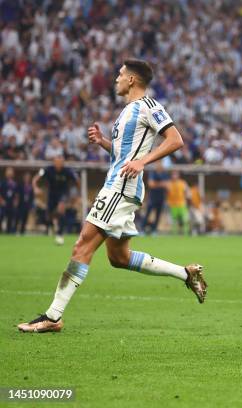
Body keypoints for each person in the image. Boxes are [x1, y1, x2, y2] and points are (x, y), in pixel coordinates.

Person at [18, 59, 207, 334]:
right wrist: (105, 142)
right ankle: (185, 273)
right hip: (120, 185)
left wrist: (144, 162)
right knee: (119, 258)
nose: (116, 78)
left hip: (120, 188)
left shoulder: (148, 106)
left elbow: (175, 139)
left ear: (132, 79)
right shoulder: (128, 112)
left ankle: (53, 316)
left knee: (81, 246)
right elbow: (125, 156)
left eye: (120, 74)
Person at [32, 156, 79, 244]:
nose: (59, 164)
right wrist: (35, 188)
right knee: (49, 214)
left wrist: (77, 194)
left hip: (63, 194)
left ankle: (60, 234)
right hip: (51, 195)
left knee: (61, 209)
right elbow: (35, 179)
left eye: (61, 162)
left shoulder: (68, 171)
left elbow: (77, 180)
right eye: (57, 162)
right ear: (54, 162)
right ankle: (51, 225)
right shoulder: (47, 170)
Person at [141, 160, 169, 234]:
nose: (159, 165)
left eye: (161, 163)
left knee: (158, 215)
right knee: (148, 213)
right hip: (152, 197)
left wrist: (157, 184)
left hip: (161, 197)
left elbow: (167, 185)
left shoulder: (165, 174)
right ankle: (142, 229)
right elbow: (151, 184)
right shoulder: (153, 173)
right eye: (158, 163)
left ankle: (154, 230)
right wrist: (161, 184)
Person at [0, 167, 19, 233]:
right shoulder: (2, 182)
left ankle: (8, 231)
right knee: (1, 217)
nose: (10, 174)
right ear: (6, 173)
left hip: (11, 203)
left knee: (10, 218)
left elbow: (16, 194)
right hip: (3, 203)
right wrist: (1, 200)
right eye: (8, 172)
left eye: (11, 172)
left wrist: (16, 201)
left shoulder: (15, 183)